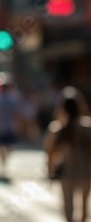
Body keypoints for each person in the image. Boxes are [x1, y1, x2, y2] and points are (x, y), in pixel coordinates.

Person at [44, 86, 91, 222]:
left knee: (68, 206)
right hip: (84, 171)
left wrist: (49, 170)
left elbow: (50, 153)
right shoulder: (87, 126)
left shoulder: (57, 128)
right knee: (84, 207)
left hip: (67, 173)